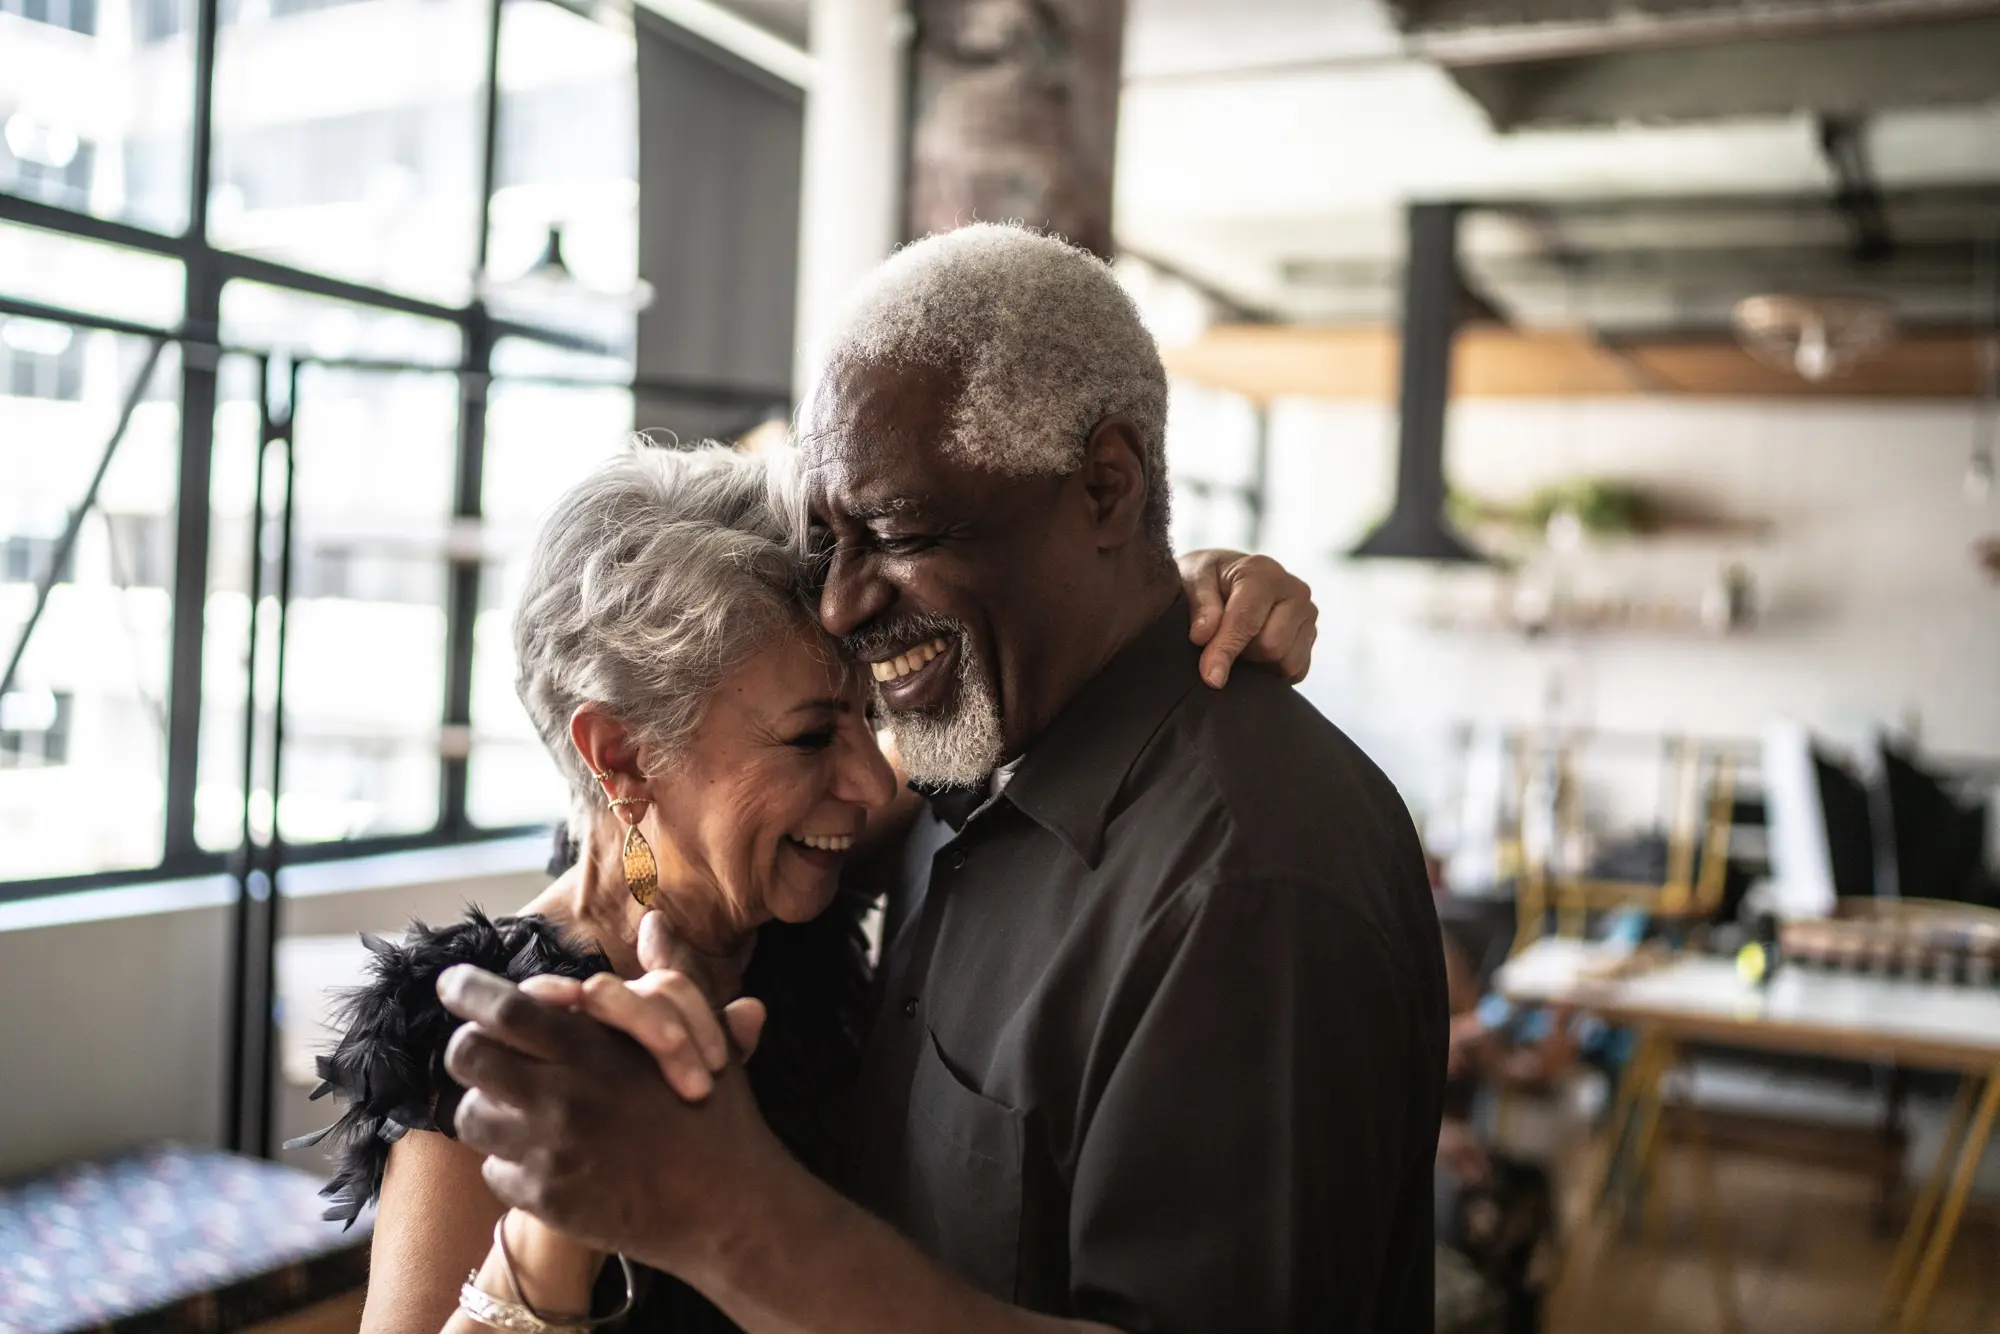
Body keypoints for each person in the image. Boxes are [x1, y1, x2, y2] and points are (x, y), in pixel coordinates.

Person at [434, 224, 1449, 1331]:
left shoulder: (1250, 877)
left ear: (1106, 486)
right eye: (832, 541)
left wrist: (728, 1212)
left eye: (900, 529)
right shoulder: (974, 770)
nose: (841, 601)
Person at [299, 442, 1319, 1334]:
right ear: (621, 756)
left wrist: (1187, 595)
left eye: (866, 717)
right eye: (809, 736)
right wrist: (563, 1209)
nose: (874, 779)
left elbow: (1039, 694)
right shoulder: (499, 1037)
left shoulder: (804, 872)